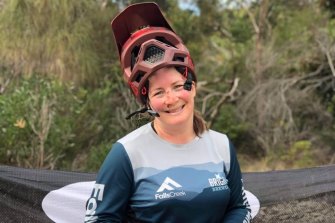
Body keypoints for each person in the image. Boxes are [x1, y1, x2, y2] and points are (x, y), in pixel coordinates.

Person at [85, 2, 251, 222]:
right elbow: (99, 218)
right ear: (148, 103)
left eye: (177, 86)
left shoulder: (221, 146)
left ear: (193, 87)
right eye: (159, 92)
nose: (171, 99)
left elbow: (239, 207)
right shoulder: (127, 153)